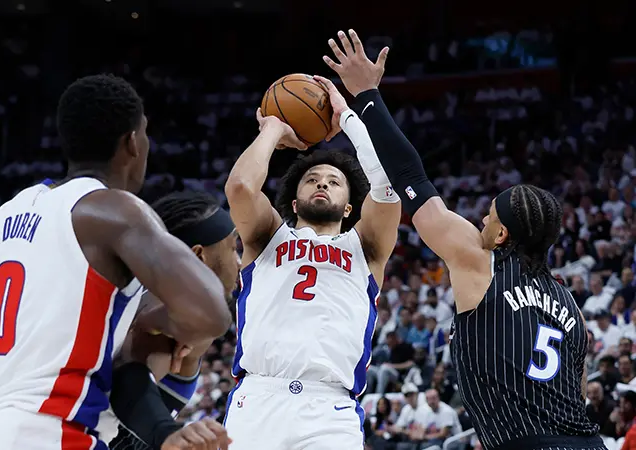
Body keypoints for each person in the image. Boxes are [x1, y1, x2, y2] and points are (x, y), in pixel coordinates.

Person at [322, 28, 604, 450]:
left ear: (502, 234)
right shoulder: (572, 308)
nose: (480, 221)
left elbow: (411, 176)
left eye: (488, 217)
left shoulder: (481, 261)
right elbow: (577, 391)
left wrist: (366, 97)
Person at [0, 74, 232, 450]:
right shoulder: (116, 210)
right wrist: (153, 319)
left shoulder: (6, 215)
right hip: (51, 435)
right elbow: (211, 312)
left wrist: (19, 372)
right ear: (132, 142)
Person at [222, 64, 402, 446]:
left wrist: (347, 117)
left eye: (334, 182)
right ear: (294, 201)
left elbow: (388, 183)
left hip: (330, 407)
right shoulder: (267, 235)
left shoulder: (366, 247)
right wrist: (273, 128)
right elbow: (239, 188)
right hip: (258, 397)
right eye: (312, 180)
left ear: (350, 207)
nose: (322, 183)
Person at [108, 191, 241, 449]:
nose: (239, 262)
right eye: (233, 248)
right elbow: (128, 377)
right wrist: (166, 433)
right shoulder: (157, 309)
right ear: (199, 255)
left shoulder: (179, 312)